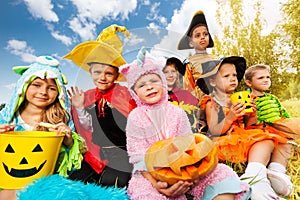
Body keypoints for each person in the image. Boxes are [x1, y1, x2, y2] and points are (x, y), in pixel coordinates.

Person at [120, 48, 251, 200]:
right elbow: (137, 156)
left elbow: (189, 145)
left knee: (221, 172)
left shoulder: (177, 113)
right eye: (141, 85)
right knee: (144, 192)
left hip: (184, 167)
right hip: (152, 174)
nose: (149, 87)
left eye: (154, 81)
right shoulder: (135, 118)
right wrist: (158, 185)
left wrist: (194, 173)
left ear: (162, 83)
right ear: (134, 92)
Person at [198, 57, 293, 199]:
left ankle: (271, 172)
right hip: (225, 140)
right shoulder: (213, 103)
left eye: (235, 75)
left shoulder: (238, 98)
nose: (233, 79)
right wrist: (230, 116)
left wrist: (252, 114)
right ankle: (256, 177)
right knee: (263, 140)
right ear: (212, 82)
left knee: (276, 141)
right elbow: (214, 129)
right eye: (226, 76)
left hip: (243, 135)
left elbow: (248, 126)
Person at [0, 56, 85, 200]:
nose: (43, 92)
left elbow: (73, 164)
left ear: (59, 93)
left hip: (45, 180)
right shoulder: (5, 117)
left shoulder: (61, 119)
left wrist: (69, 142)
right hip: (7, 178)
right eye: (37, 85)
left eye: (51, 88)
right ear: (24, 86)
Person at [64, 24, 137, 188]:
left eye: (108, 73)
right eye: (97, 72)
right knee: (74, 181)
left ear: (117, 75)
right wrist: (80, 107)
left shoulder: (125, 95)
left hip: (122, 154)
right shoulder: (87, 96)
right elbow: (86, 129)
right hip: (94, 153)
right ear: (90, 73)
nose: (102, 77)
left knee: (113, 184)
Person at [244, 64, 295, 197]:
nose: (266, 80)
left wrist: (290, 126)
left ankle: (276, 171)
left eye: (268, 77)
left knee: (287, 144)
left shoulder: (273, 98)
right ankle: (259, 175)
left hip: (278, 127)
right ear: (249, 82)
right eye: (261, 78)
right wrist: (251, 113)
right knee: (269, 143)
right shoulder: (249, 100)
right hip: (262, 130)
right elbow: (248, 123)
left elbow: (283, 113)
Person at [177, 10, 220, 100]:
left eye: (205, 34)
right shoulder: (189, 63)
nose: (202, 37)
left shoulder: (219, 59)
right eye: (197, 35)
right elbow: (189, 89)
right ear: (191, 43)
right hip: (203, 104)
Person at [163, 57, 200, 132]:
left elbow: (198, 111)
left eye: (173, 71)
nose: (170, 75)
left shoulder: (185, 95)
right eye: (166, 72)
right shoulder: (155, 95)